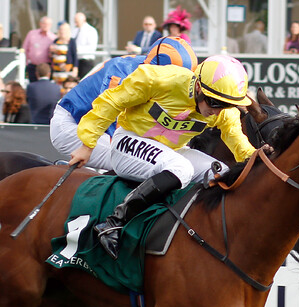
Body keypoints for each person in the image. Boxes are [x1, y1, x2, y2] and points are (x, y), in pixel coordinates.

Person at [68, 54, 258, 259]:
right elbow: (111, 101)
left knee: (221, 172)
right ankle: (114, 222)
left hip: (170, 151)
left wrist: (258, 158)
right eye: (214, 102)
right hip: (128, 142)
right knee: (181, 169)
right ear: (198, 87)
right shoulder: (158, 79)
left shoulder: (223, 113)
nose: (217, 110)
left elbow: (238, 142)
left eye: (226, 105)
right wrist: (88, 145)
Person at [51, 37, 197, 172]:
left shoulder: (154, 72)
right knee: (135, 159)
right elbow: (110, 117)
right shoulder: (122, 74)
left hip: (97, 126)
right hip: (73, 123)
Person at [22, 17, 55, 83]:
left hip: (46, 67)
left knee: (45, 87)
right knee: (32, 85)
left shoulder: (53, 37)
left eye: (48, 24)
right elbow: (24, 49)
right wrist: (26, 64)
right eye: (44, 23)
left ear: (51, 25)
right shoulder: (32, 34)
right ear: (40, 24)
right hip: (33, 66)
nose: (46, 25)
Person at [72, 12, 98, 78]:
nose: (75, 23)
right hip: (76, 61)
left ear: (83, 20)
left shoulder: (91, 31)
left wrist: (77, 49)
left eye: (77, 21)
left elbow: (92, 47)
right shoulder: (75, 30)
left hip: (86, 61)